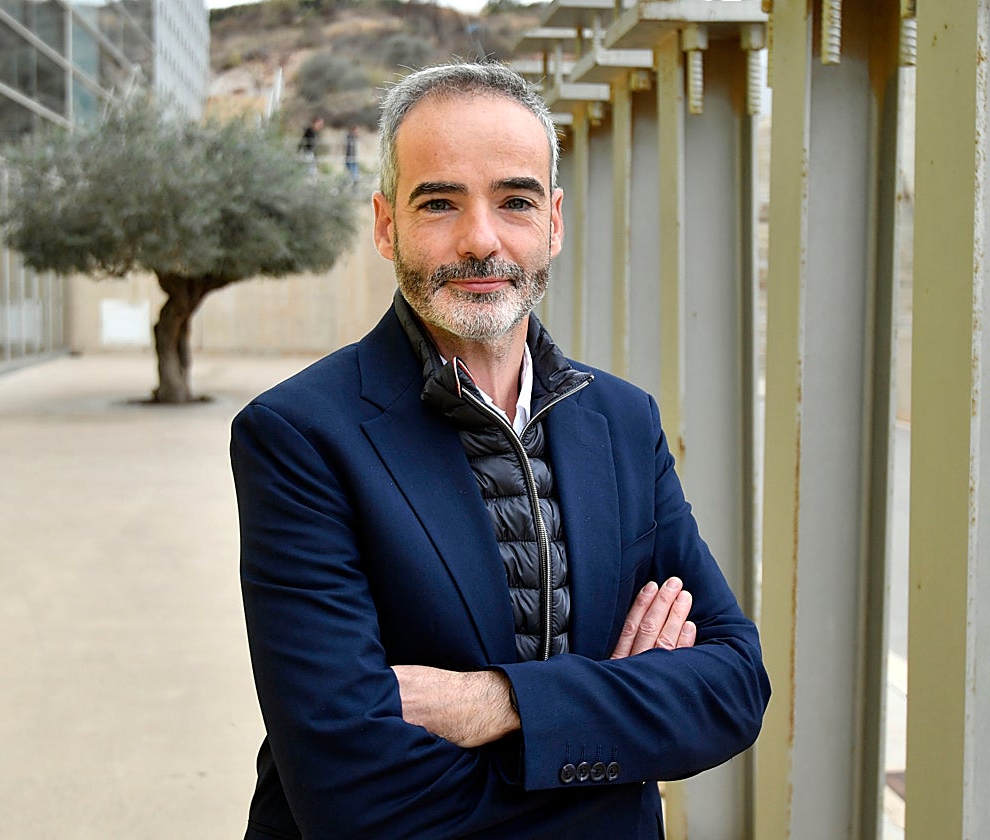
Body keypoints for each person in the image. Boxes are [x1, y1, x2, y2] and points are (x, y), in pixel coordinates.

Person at [231, 62, 770, 839]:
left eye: (514, 200)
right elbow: (353, 795)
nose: (481, 239)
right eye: (440, 202)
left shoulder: (621, 422)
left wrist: (500, 704)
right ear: (386, 224)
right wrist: (613, 745)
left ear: (552, 221)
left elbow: (732, 687)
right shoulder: (299, 436)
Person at [344, 125, 360, 192]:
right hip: (350, 160)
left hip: (354, 160)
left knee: (355, 177)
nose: (357, 132)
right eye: (356, 131)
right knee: (352, 177)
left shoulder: (354, 138)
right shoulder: (349, 138)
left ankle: (355, 191)